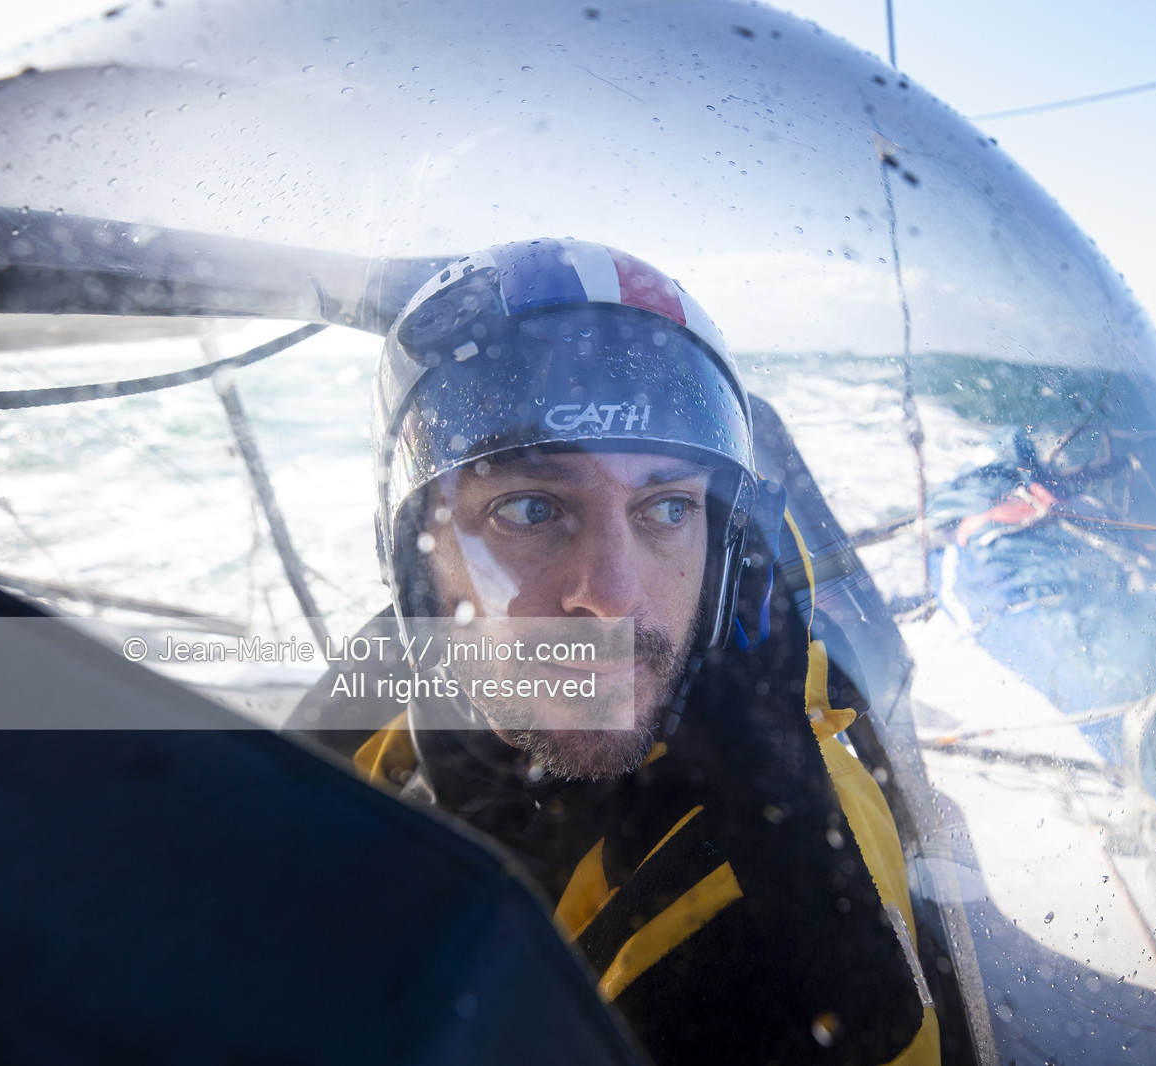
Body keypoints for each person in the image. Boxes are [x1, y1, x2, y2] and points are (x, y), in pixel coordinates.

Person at [289, 238, 939, 1065]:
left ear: (726, 552)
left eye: (667, 508)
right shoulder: (410, 662)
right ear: (419, 557)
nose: (612, 595)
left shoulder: (773, 907)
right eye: (529, 509)